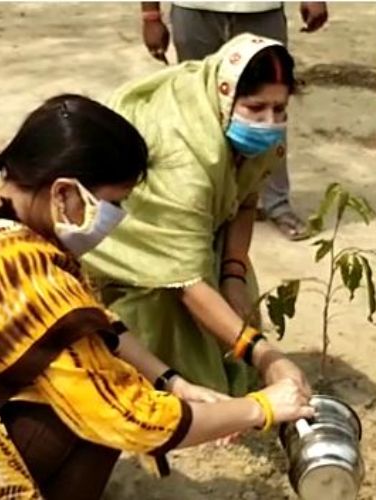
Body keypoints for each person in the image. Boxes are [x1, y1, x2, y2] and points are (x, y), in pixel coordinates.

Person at [0, 94, 315, 500]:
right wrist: (262, 406)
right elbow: (133, 416)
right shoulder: (12, 259)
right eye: (114, 202)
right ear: (64, 191)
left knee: (86, 388)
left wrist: (172, 381)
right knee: (88, 415)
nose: (116, 217)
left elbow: (92, 323)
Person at [83, 34, 310, 399]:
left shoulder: (249, 131)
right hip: (131, 239)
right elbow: (186, 281)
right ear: (225, 94)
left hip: (189, 236)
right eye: (256, 108)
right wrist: (267, 357)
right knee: (160, 300)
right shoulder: (185, 158)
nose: (269, 122)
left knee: (227, 288)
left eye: (279, 109)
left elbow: (245, 199)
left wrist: (233, 272)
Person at [139, 1, 328, 241]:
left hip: (261, 9)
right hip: (194, 9)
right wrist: (150, 15)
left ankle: (276, 204)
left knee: (267, 106)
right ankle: (206, 203)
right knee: (199, 107)